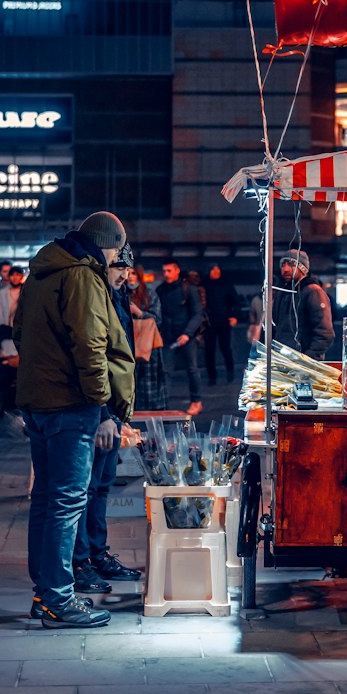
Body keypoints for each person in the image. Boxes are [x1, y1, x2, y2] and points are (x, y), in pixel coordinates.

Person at [14, 211, 136, 629]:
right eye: (118, 249)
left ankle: (44, 593)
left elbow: (19, 334)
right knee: (67, 503)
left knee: (46, 501)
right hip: (71, 406)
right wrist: (103, 406)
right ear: (109, 245)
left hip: (38, 403)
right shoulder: (83, 277)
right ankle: (58, 601)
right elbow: (91, 345)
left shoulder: (40, 274)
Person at [69, 249, 143, 593]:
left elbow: (121, 353)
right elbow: (92, 353)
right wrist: (103, 413)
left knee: (100, 487)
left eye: (127, 268)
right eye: (119, 266)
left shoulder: (118, 295)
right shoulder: (93, 293)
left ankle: (96, 555)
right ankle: (81, 561)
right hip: (97, 409)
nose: (125, 274)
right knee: (86, 489)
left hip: (114, 409)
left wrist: (121, 412)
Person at [156, 261, 205, 417]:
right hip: (168, 336)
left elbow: (197, 314)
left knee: (192, 369)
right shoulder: (161, 290)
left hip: (185, 335)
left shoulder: (189, 289)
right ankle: (163, 403)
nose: (166, 274)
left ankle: (196, 401)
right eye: (164, 270)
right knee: (165, 371)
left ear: (177, 271)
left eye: (169, 270)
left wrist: (187, 333)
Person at [272, 249, 334, 361]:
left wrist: (308, 359)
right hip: (283, 360)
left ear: (302, 268)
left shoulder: (313, 292)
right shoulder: (283, 292)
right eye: (282, 265)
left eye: (291, 264)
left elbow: (325, 333)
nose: (285, 269)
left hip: (304, 364)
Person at [124, 262, 168, 411]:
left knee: (149, 382)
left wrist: (139, 313)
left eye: (133, 273)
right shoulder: (121, 293)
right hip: (128, 344)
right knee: (130, 380)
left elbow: (158, 319)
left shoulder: (149, 294)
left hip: (148, 346)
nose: (130, 277)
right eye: (128, 273)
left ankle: (154, 415)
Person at [203, 264, 239, 385]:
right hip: (208, 323)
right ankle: (212, 377)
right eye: (213, 269)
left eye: (218, 268)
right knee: (209, 350)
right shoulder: (204, 285)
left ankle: (230, 373)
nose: (216, 271)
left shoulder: (226, 284)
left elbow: (236, 301)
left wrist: (235, 316)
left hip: (224, 321)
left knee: (225, 348)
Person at [0, 266, 24, 333]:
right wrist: (2, 327)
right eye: (12, 275)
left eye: (18, 275)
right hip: (6, 328)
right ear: (9, 277)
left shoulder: (26, 291)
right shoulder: (2, 293)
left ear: (21, 276)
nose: (15, 278)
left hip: (22, 328)